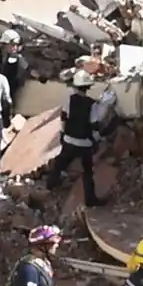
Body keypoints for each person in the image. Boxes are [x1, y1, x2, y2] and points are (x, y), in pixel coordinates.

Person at [45, 70, 107, 207]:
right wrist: (98, 140)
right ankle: (90, 200)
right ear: (88, 88)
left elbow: (64, 118)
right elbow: (94, 125)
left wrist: (62, 134)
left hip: (69, 139)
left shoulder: (69, 99)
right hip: (84, 143)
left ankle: (49, 186)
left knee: (60, 164)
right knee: (87, 172)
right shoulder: (93, 104)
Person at [0, 29, 27, 102]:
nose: (15, 47)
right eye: (13, 44)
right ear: (5, 43)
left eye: (16, 45)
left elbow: (27, 70)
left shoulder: (18, 59)